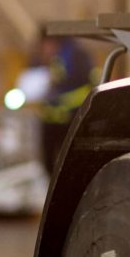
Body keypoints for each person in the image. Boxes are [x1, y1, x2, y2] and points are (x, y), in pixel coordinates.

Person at [36, 35, 92, 175]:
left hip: (70, 120)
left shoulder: (76, 57)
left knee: (70, 164)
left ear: (52, 42)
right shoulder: (54, 59)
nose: (43, 50)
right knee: (50, 163)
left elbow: (82, 87)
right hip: (52, 121)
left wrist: (57, 96)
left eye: (45, 45)